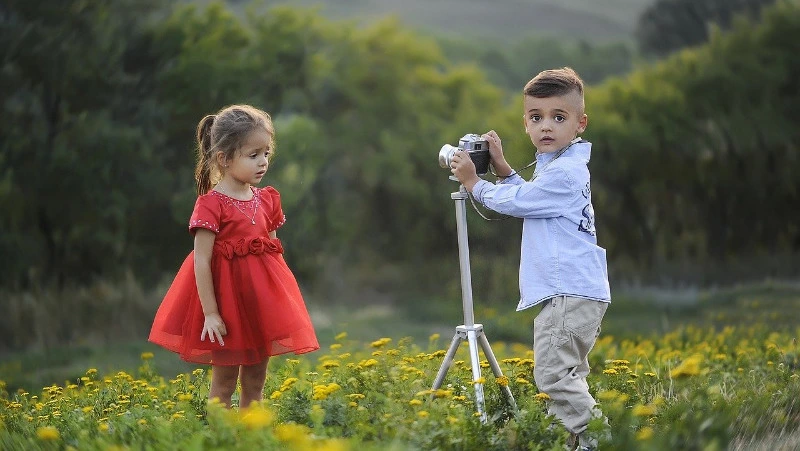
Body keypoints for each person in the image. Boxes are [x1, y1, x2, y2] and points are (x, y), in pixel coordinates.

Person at [449, 67, 611, 450]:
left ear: (580, 123)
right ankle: (575, 443)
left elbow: (520, 203)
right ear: (525, 123)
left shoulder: (566, 173)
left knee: (554, 378)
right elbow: (533, 199)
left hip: (566, 292)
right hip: (576, 290)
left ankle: (600, 440)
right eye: (536, 118)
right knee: (568, 376)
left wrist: (474, 182)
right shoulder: (557, 165)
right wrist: (503, 168)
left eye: (559, 117)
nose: (546, 127)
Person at [149, 104, 319, 409]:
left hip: (258, 307)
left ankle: (249, 436)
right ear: (224, 159)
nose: (263, 162)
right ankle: (223, 439)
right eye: (253, 155)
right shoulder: (211, 204)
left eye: (266, 153)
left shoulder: (267, 199)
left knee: (256, 381)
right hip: (227, 309)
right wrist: (212, 313)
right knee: (224, 384)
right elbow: (201, 261)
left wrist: (278, 303)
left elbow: (273, 254)